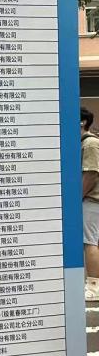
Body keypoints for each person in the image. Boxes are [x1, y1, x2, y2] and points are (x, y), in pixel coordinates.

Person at [82, 107, 99, 300]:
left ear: (83, 122)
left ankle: (94, 287)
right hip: (92, 200)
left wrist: (78, 196)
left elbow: (91, 173)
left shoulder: (90, 143)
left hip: (92, 200)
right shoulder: (88, 142)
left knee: (89, 242)